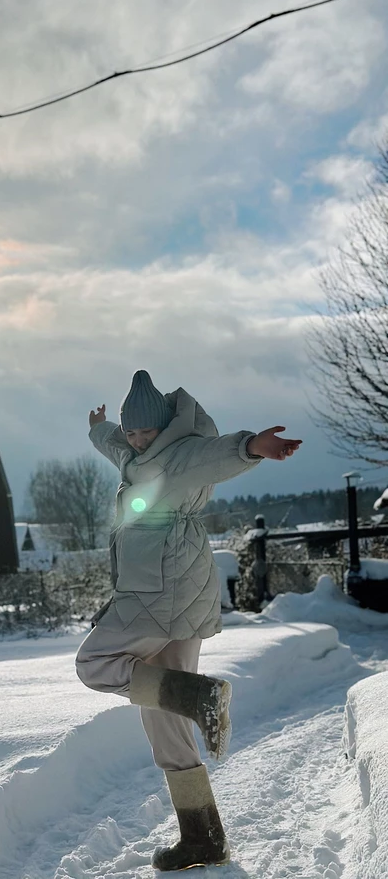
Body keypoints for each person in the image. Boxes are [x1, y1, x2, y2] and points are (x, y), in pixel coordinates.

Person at [75, 370, 301, 872]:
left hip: (160, 594)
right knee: (163, 717)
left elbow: (214, 456)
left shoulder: (178, 456)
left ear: (162, 429)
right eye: (131, 432)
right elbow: (116, 446)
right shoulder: (136, 453)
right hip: (172, 593)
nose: (135, 440)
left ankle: (201, 697)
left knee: (94, 664)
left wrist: (252, 447)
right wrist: (100, 429)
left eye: (144, 432)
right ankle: (203, 838)